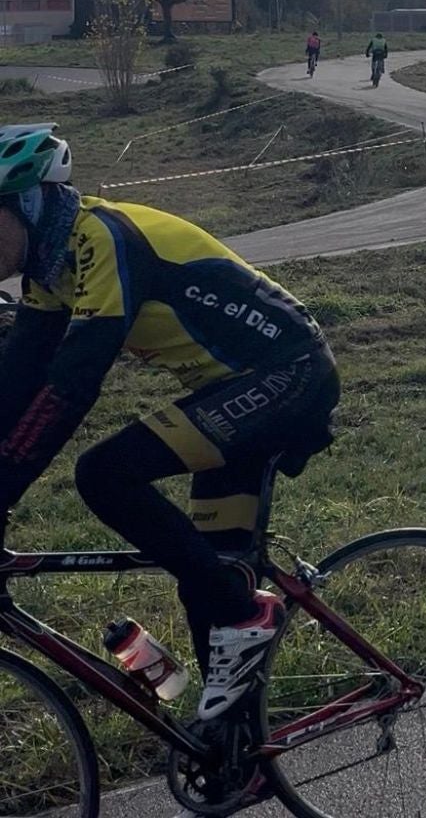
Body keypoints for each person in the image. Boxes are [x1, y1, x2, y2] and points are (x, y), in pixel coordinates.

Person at [0, 122, 340, 723]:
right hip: (235, 391)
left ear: (28, 205)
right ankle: (235, 755)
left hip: (288, 374)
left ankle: (245, 612)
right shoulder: (50, 271)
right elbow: (17, 383)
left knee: (105, 474)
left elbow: (70, 388)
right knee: (207, 572)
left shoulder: (100, 238)